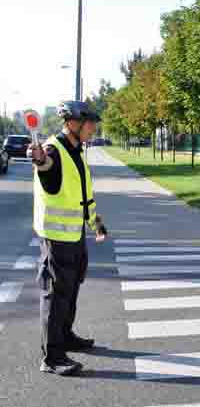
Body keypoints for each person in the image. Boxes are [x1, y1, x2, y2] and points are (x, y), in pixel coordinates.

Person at [28, 101, 108, 376]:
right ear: (73, 123)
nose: (93, 128)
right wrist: (40, 159)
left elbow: (83, 196)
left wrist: (96, 223)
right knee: (56, 295)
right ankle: (52, 357)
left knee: (71, 290)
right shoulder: (54, 149)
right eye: (90, 123)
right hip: (55, 236)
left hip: (74, 235)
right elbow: (46, 166)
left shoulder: (76, 151)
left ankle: (65, 336)